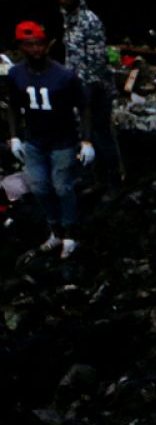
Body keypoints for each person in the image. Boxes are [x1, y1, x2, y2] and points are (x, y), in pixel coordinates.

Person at [5, 21, 92, 258]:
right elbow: (12, 105)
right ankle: (55, 229)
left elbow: (84, 106)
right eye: (29, 45)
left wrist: (86, 140)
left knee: (63, 186)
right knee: (40, 187)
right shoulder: (16, 75)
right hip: (34, 140)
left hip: (62, 140)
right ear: (21, 47)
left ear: (47, 45)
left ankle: (70, 233)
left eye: (39, 44)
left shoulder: (64, 76)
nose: (35, 50)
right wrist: (14, 136)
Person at [56, 0, 119, 196]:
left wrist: (87, 91)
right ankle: (95, 179)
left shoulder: (89, 21)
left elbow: (96, 59)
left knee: (102, 135)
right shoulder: (69, 21)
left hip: (96, 89)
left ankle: (113, 183)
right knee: (84, 136)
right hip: (77, 87)